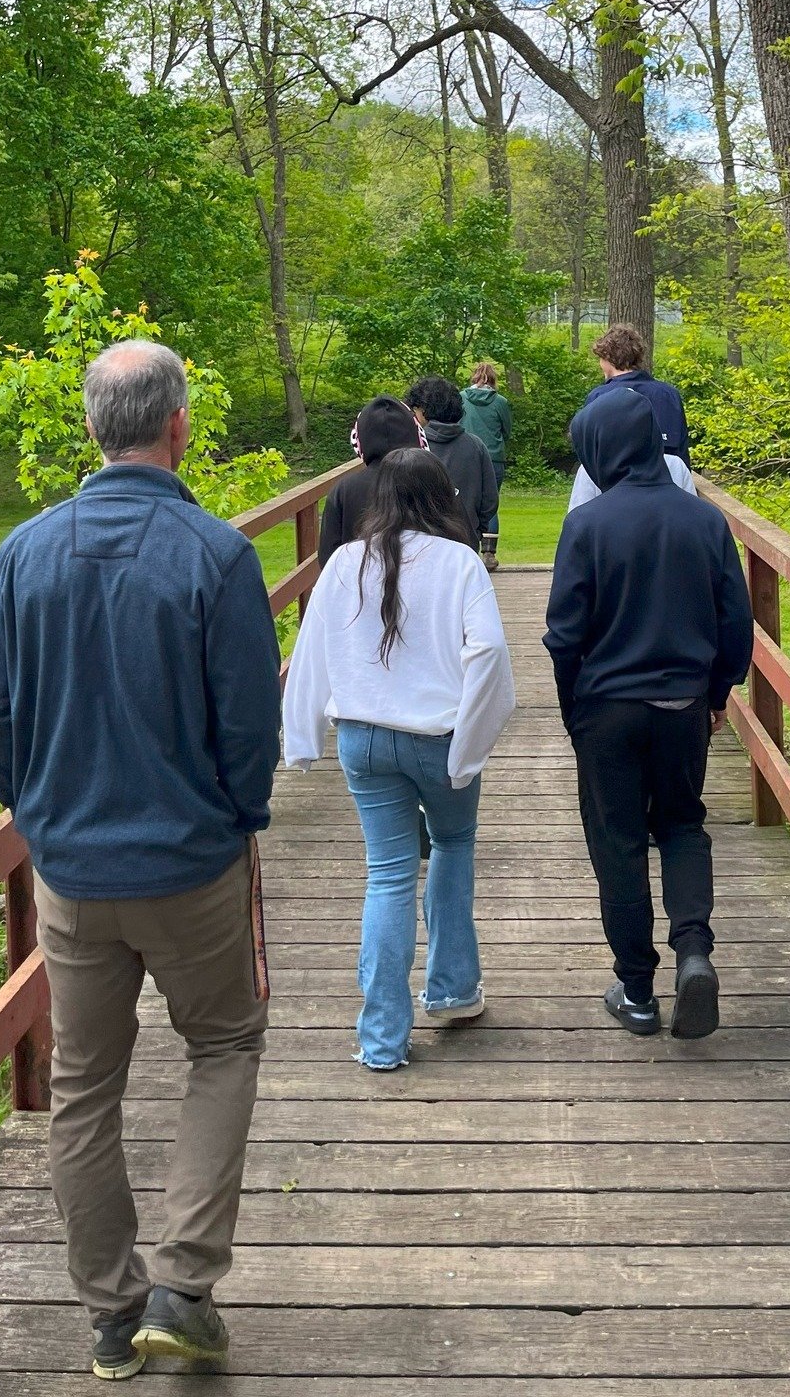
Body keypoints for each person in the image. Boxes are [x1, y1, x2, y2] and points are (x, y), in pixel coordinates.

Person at [0, 339, 280, 1381]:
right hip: (191, 863)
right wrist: (240, 818)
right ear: (178, 426)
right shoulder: (215, 556)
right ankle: (183, 1287)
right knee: (226, 1047)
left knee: (84, 1087)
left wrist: (44, 814)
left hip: (71, 871)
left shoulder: (23, 554)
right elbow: (249, 724)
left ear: (94, 427)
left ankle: (111, 1316)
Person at [284, 448, 516, 1071]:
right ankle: (453, 990)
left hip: (363, 738)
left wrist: (301, 739)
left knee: (387, 874)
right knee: (452, 843)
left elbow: (312, 651)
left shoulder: (343, 564)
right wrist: (471, 740)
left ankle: (383, 1037)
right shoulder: (461, 564)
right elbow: (490, 652)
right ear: (443, 498)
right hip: (438, 739)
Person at [544, 389, 752, 1041]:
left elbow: (563, 635)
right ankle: (694, 953)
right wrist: (718, 691)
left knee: (620, 846)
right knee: (684, 826)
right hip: (683, 704)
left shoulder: (588, 526)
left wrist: (572, 711)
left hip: (606, 709)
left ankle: (637, 992)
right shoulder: (704, 521)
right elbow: (734, 623)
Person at [319, 395, 427, 565]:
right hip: (427, 585)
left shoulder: (345, 489)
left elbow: (328, 557)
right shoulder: (431, 479)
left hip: (359, 586)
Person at [405, 376, 497, 548]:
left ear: (424, 410)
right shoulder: (476, 445)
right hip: (466, 540)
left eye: (415, 410)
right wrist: (475, 530)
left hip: (421, 544)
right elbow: (490, 500)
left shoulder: (412, 448)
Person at [581, 322, 691, 465]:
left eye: (601, 358)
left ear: (607, 358)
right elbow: (681, 453)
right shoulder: (670, 395)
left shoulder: (598, 397)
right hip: (668, 480)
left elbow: (589, 454)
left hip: (616, 483)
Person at [460, 362, 513, 570]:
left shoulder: (462, 398)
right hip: (494, 457)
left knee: (466, 500)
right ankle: (489, 553)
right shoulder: (500, 402)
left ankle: (467, 547)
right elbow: (506, 430)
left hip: (468, 455)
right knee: (491, 503)